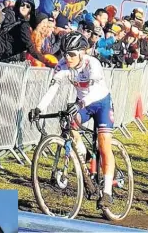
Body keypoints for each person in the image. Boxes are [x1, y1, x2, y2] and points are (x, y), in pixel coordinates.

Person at [29, 31, 115, 207]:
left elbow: (96, 92)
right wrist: (39, 107)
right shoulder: (63, 66)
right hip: (83, 103)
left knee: (104, 144)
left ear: (83, 52)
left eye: (72, 54)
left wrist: (81, 102)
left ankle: (107, 192)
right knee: (68, 123)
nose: (67, 58)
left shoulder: (93, 64)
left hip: (101, 102)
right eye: (65, 53)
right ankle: (82, 154)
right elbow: (53, 89)